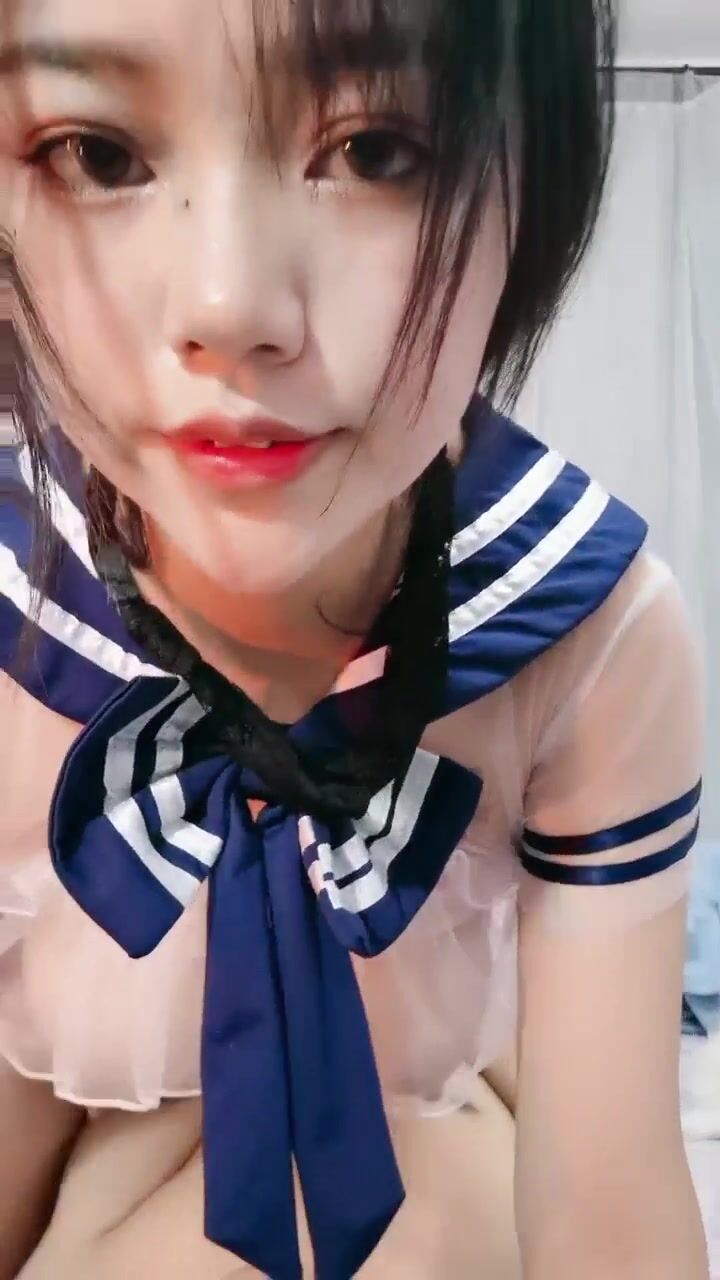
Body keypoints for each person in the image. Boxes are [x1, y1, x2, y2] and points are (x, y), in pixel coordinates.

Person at [0, 0, 710, 1276]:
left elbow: (608, 1207)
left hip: (447, 1100)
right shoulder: (19, 607)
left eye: (378, 150)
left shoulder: (587, 637)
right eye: (99, 155)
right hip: (91, 1118)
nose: (230, 305)